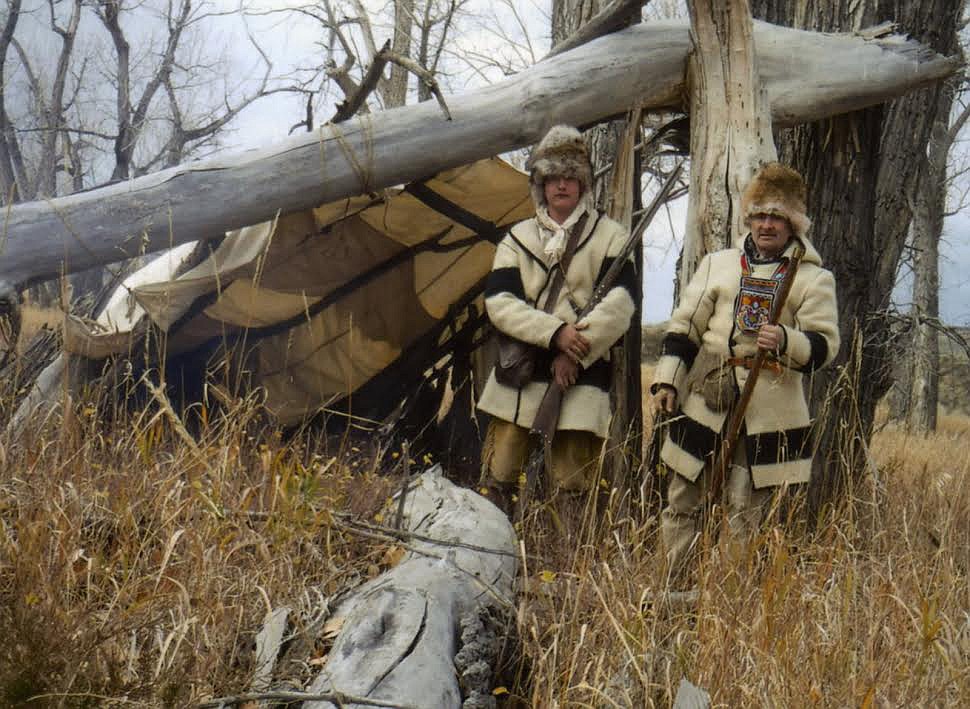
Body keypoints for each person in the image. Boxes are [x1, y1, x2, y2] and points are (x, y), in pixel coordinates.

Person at [651, 162, 840, 582]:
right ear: (748, 218)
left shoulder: (813, 279)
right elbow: (686, 326)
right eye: (759, 215)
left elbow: (826, 346)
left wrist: (787, 341)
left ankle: (729, 606)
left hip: (769, 411)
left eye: (776, 217)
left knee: (746, 511)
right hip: (707, 402)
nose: (766, 224)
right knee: (683, 499)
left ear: (793, 225)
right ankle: (672, 593)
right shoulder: (718, 264)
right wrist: (668, 379)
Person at [477, 124, 636, 513]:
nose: (562, 186)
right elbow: (499, 302)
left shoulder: (611, 237)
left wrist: (577, 350)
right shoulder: (517, 238)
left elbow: (621, 304)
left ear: (582, 184)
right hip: (522, 370)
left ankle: (569, 566)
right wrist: (555, 334)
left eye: (570, 177)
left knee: (574, 484)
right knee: (498, 475)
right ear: (541, 185)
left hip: (583, 370)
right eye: (553, 178)